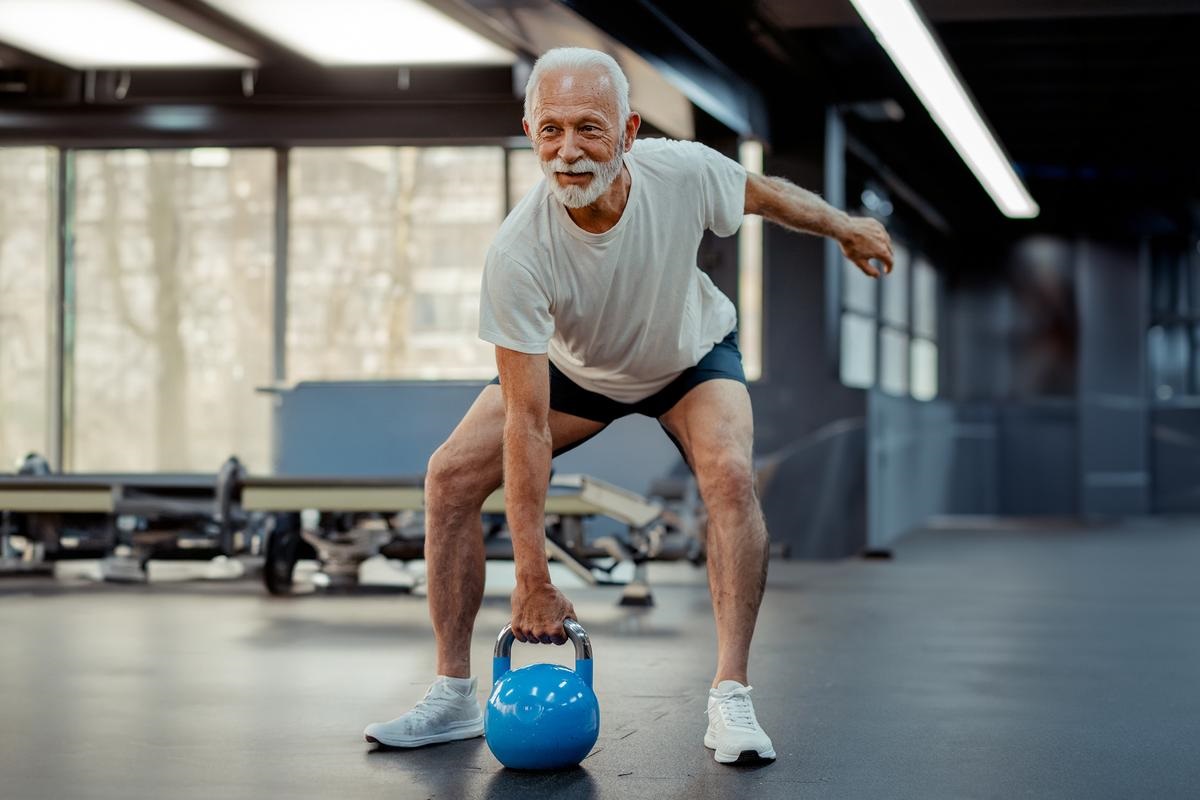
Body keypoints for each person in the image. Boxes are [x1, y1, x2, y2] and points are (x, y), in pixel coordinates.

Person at [364, 46, 893, 765]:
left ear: (630, 129)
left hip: (690, 357)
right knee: (450, 476)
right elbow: (527, 423)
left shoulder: (681, 171)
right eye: (550, 130)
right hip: (582, 373)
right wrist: (534, 582)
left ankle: (731, 696)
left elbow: (764, 194)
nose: (569, 151)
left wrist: (845, 226)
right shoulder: (518, 252)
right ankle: (455, 695)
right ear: (529, 132)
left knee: (730, 477)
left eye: (589, 128)